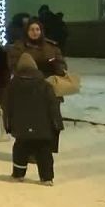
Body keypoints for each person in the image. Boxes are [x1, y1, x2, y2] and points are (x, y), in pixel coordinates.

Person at [7, 17, 68, 152]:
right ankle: (29, 151)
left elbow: (62, 67)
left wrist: (54, 65)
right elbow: (14, 66)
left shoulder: (51, 47)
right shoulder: (19, 47)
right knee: (31, 121)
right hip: (28, 90)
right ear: (26, 31)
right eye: (31, 29)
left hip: (49, 88)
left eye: (37, 29)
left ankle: (49, 149)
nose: (35, 32)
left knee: (53, 119)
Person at [5, 53, 62, 186]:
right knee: (44, 151)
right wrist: (57, 124)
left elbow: (7, 106)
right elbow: (53, 106)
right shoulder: (45, 85)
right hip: (43, 126)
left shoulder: (12, 86)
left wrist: (8, 124)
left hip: (20, 126)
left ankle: (18, 174)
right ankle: (46, 177)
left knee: (20, 149)